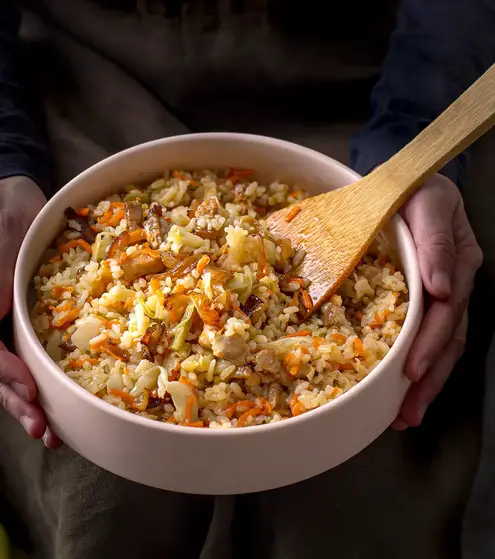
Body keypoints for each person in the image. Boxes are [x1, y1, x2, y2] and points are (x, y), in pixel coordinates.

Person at [0, 1, 494, 557]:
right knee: (101, 489)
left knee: (361, 482)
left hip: (367, 88)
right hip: (81, 83)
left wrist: (416, 149)